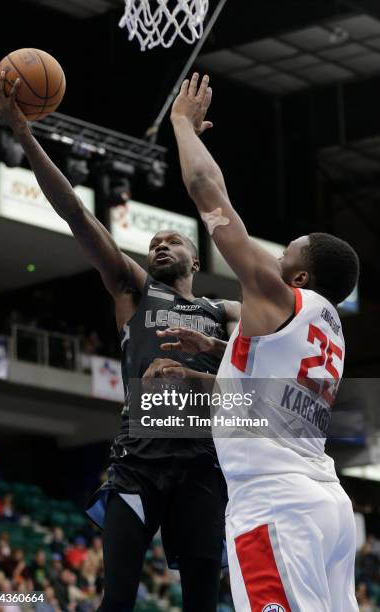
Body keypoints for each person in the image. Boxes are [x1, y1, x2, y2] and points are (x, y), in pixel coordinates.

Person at [0, 70, 241, 612]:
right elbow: (76, 213)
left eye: (170, 240)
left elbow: (264, 364)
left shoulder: (225, 311)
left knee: (202, 599)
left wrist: (208, 357)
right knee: (117, 596)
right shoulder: (133, 288)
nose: (159, 246)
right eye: (152, 242)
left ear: (196, 259)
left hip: (202, 461)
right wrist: (23, 133)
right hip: (139, 461)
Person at [170, 72, 360, 611]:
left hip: (276, 505)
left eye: (286, 255)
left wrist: (183, 124)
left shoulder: (277, 296)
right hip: (327, 506)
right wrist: (215, 362)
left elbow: (209, 194)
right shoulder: (330, 330)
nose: (273, 258)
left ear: (297, 279)